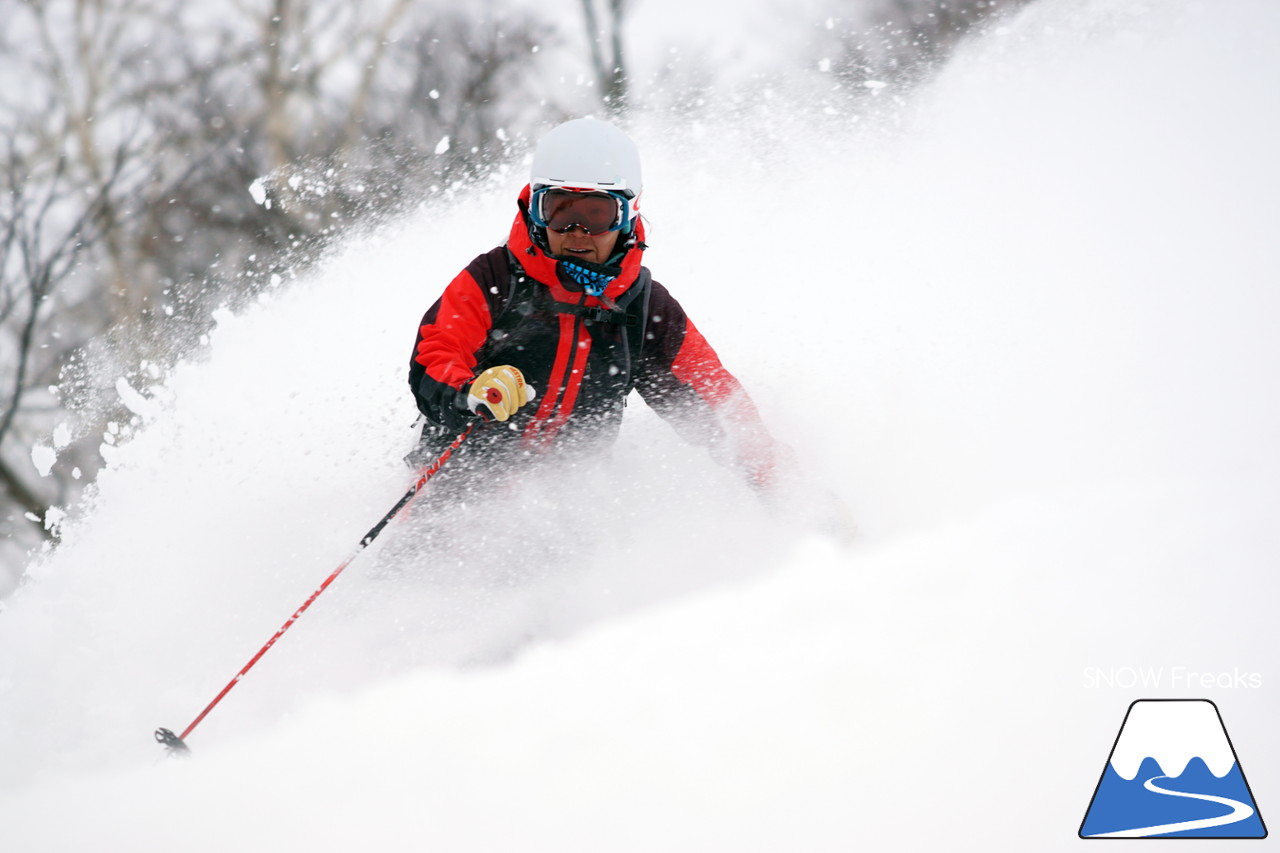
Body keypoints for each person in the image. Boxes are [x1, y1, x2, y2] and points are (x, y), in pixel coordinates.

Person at [407, 117, 781, 499]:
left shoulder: (642, 308)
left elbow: (713, 400)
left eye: (596, 214)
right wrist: (467, 390)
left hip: (566, 506)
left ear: (627, 217)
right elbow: (435, 354)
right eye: (559, 211)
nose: (576, 232)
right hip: (458, 488)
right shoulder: (496, 279)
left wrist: (781, 484)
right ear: (535, 211)